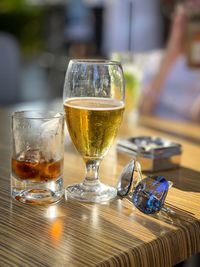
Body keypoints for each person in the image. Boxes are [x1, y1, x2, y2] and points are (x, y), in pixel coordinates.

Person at [139, 2, 200, 122]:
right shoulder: (155, 60)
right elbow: (143, 110)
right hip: (154, 133)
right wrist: (170, 55)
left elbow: (196, 120)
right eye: (190, 15)